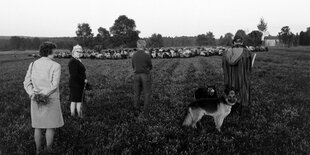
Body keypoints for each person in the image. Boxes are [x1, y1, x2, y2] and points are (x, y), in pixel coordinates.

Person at [23, 41, 64, 154]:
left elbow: (26, 82)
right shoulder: (56, 65)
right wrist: (43, 95)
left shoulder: (33, 64)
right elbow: (54, 86)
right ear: (50, 51)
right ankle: (48, 150)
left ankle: (38, 151)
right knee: (50, 127)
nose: (55, 53)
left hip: (35, 99)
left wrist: (33, 94)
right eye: (54, 51)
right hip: (50, 99)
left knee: (38, 126)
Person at [222, 35, 254, 113]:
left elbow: (224, 67)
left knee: (231, 91)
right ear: (242, 42)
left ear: (234, 42)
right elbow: (249, 68)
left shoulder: (226, 52)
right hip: (243, 78)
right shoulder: (247, 52)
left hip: (230, 79)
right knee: (243, 90)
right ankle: (244, 108)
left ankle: (230, 108)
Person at [132, 39, 153, 120]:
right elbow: (150, 66)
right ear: (144, 46)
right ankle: (146, 113)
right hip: (145, 75)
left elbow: (133, 66)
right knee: (147, 94)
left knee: (136, 94)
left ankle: (136, 111)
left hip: (136, 75)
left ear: (138, 45)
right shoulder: (146, 55)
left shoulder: (134, 55)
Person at [68, 45, 87, 118]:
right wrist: (83, 80)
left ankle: (74, 115)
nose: (79, 53)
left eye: (80, 52)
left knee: (75, 100)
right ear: (73, 52)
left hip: (77, 83)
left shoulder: (76, 60)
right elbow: (74, 74)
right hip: (76, 84)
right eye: (77, 51)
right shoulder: (73, 61)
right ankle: (78, 115)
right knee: (77, 100)